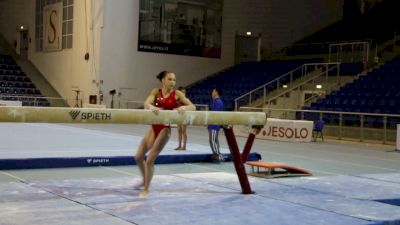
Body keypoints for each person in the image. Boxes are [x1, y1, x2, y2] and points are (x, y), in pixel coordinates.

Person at [135, 71, 196, 197]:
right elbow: (147, 103)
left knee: (149, 160)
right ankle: (143, 180)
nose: (173, 82)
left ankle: (146, 189)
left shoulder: (177, 94)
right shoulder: (155, 92)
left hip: (165, 129)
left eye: (174, 80)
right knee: (138, 156)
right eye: (170, 79)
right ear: (163, 80)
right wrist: (151, 107)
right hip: (154, 127)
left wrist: (185, 108)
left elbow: (193, 106)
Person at [208, 87, 225, 163]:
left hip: (214, 125)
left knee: (212, 140)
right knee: (214, 140)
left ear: (216, 92)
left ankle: (217, 155)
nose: (212, 93)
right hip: (212, 125)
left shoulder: (218, 102)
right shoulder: (215, 101)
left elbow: (215, 115)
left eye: (213, 91)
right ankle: (217, 154)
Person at [174, 86, 188, 150]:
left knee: (183, 131)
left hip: (184, 116)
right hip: (178, 116)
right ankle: (179, 145)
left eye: (184, 92)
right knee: (179, 131)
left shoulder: (185, 99)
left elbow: (188, 107)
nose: (184, 93)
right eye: (182, 92)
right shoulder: (177, 99)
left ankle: (184, 146)